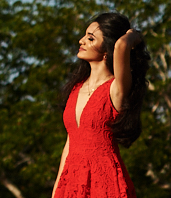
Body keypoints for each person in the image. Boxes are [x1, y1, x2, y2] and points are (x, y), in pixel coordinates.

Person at [52, 12, 149, 198]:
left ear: (107, 50)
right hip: (72, 181)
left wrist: (133, 36)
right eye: (84, 36)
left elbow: (121, 46)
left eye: (90, 38)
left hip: (105, 182)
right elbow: (70, 143)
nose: (81, 41)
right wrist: (57, 191)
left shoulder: (116, 88)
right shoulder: (76, 88)